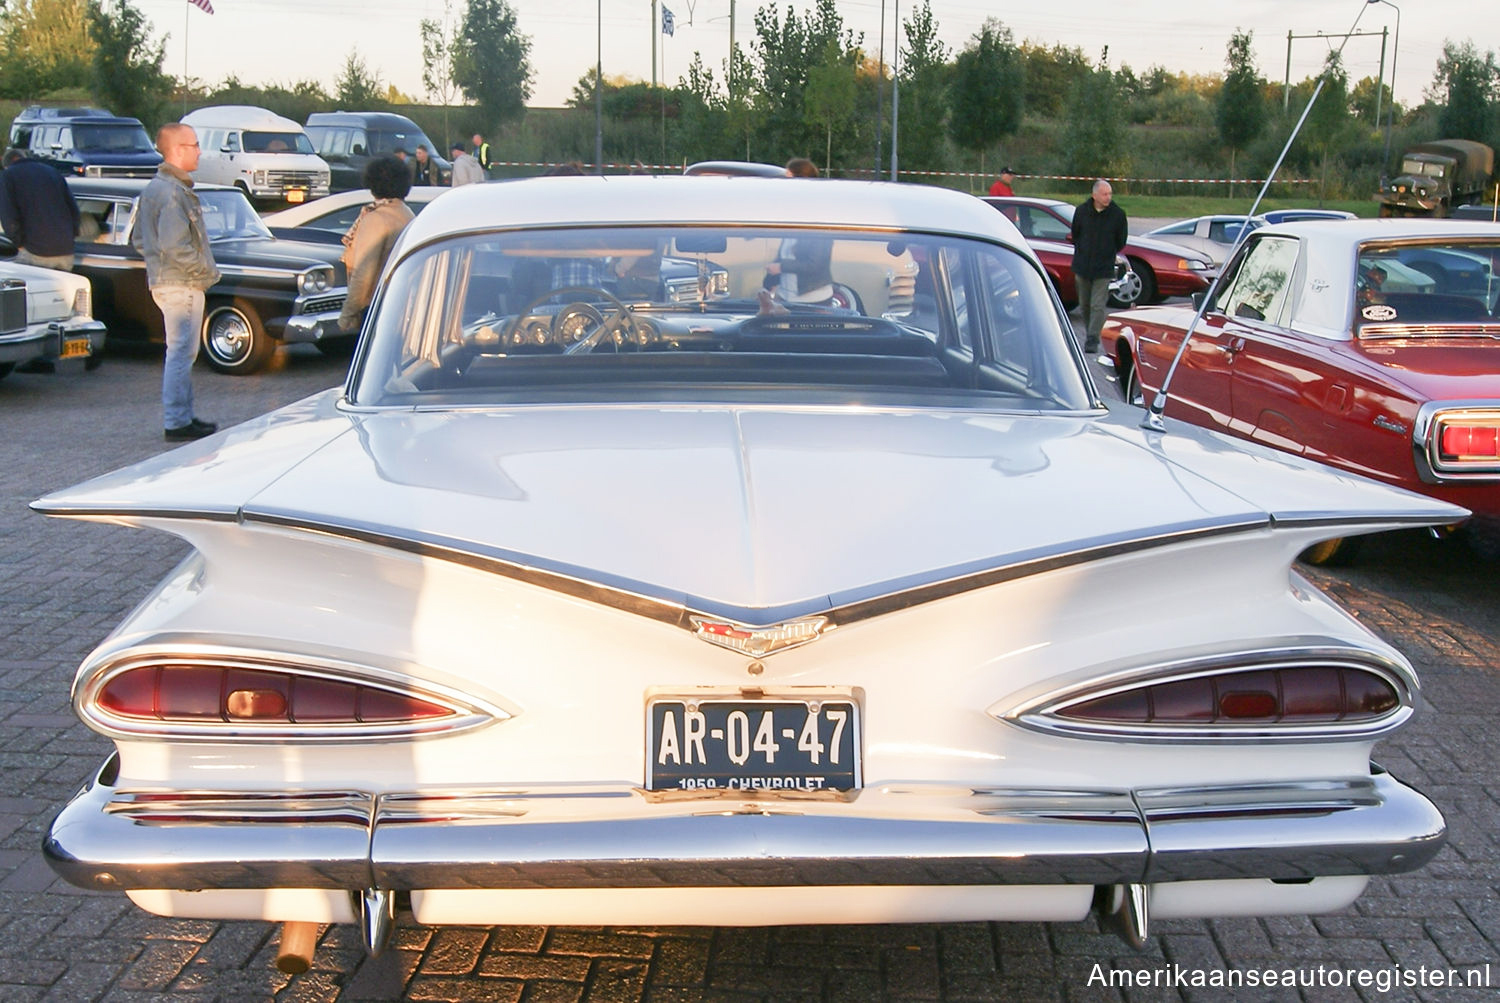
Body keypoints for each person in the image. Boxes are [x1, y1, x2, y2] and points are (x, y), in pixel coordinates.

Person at [134, 123, 220, 441]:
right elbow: (174, 246)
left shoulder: (158, 189)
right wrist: (205, 272)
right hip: (181, 284)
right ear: (178, 150)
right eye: (195, 145)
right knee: (181, 352)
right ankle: (176, 421)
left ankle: (183, 416)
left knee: (182, 352)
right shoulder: (172, 192)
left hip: (169, 280)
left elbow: (141, 240)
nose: (199, 151)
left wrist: (159, 264)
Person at [338, 156, 415, 334]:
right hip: (402, 304)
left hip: (377, 306)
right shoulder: (407, 214)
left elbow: (364, 273)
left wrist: (347, 314)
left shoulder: (376, 219)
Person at [1069, 179, 1127, 354]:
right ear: (1094, 195)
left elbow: (1120, 241)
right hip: (1082, 265)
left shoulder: (1117, 215)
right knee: (1084, 304)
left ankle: (1093, 338)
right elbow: (1075, 234)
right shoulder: (1081, 212)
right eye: (1104, 194)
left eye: (1110, 194)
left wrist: (1107, 253)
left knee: (1098, 305)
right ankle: (1090, 332)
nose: (1108, 197)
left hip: (1103, 267)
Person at [0, 148, 81, 271]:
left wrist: (18, 243)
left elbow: (9, 216)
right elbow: (73, 210)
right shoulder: (52, 172)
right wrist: (70, 235)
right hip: (65, 249)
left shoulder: (8, 176)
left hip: (35, 250)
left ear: (6, 165)